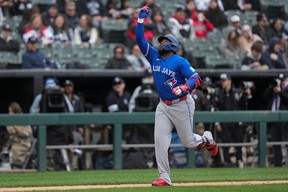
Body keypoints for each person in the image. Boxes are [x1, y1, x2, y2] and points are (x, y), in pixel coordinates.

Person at [136, 5, 218, 186]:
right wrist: (141, 19)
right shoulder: (154, 56)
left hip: (182, 104)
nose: (161, 43)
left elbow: (196, 78)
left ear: (172, 45)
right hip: (163, 105)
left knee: (188, 141)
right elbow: (140, 40)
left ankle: (206, 139)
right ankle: (164, 177)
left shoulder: (180, 61)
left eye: (165, 41)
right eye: (161, 41)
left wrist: (185, 88)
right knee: (159, 140)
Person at [263, 76, 288, 167]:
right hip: (274, 121)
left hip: (285, 121)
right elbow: (264, 97)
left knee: (286, 142)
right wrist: (271, 87)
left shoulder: (285, 89)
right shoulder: (273, 90)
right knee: (276, 143)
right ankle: (278, 163)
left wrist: (280, 92)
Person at [4, 102, 33, 169]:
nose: (10, 114)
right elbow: (10, 130)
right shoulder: (8, 120)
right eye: (9, 112)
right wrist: (15, 129)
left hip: (23, 144)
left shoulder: (23, 119)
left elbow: (28, 132)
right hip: (12, 143)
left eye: (11, 112)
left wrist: (18, 130)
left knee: (15, 150)